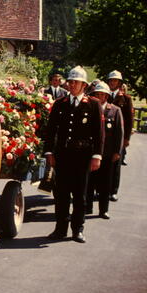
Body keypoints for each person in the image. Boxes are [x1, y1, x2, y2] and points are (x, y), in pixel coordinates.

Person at [43, 66, 104, 243]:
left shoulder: (93, 104)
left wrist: (97, 156)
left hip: (82, 156)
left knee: (80, 195)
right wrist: (49, 152)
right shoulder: (60, 103)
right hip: (62, 155)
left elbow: (99, 133)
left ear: (84, 85)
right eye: (70, 82)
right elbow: (51, 130)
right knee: (61, 194)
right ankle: (60, 229)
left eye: (76, 82)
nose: (72, 85)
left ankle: (77, 229)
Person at [85, 81, 124, 219]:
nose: (100, 97)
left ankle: (103, 210)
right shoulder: (88, 108)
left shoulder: (115, 110)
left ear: (107, 96)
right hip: (91, 153)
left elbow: (119, 133)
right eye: (97, 94)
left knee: (105, 184)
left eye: (103, 94)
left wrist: (117, 152)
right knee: (89, 183)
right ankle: (87, 207)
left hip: (107, 154)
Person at [107, 70, 134, 201]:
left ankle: (113, 190)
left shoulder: (126, 99)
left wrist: (127, 138)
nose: (113, 83)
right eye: (111, 80)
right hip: (105, 136)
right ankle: (101, 189)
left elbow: (129, 119)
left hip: (119, 136)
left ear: (119, 83)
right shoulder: (104, 95)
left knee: (116, 164)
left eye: (115, 81)